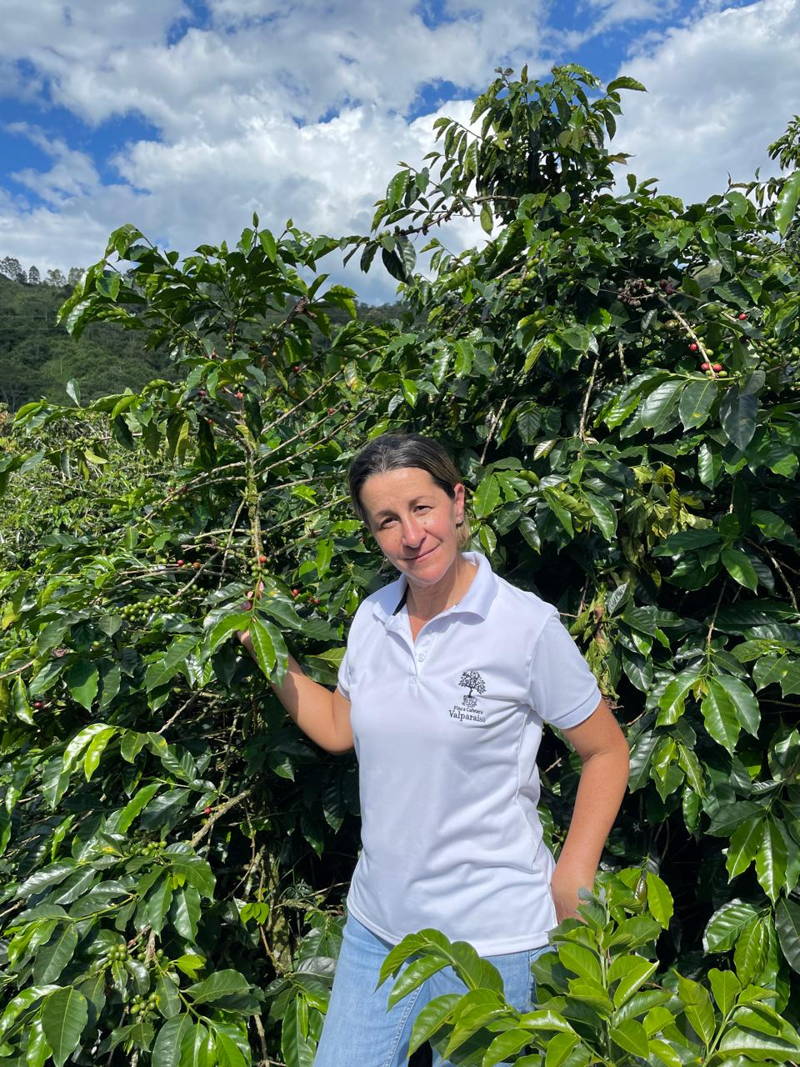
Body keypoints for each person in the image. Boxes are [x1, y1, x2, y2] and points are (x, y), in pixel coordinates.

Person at [242, 433, 629, 1066]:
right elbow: (342, 727)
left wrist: (573, 875)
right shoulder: (373, 617)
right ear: (373, 533)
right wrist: (263, 648)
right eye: (387, 521)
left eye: (421, 508)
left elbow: (607, 752)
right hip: (378, 930)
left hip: (494, 942)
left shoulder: (524, 627)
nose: (410, 535)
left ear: (457, 503)